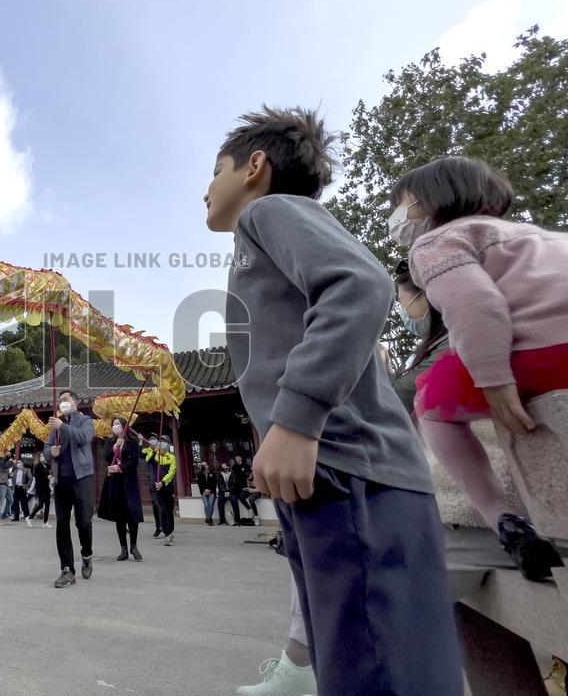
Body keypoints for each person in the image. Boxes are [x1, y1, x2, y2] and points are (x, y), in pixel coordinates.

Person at [206, 106, 462, 694]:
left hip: (348, 468)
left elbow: (361, 283)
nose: (206, 188)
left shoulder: (267, 212)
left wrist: (295, 421)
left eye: (215, 170)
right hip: (331, 472)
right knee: (351, 663)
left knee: (376, 671)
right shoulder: (270, 232)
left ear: (254, 166)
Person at [391, 156, 568, 580]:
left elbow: (477, 305)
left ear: (426, 202)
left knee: (430, 402)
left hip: (536, 354)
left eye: (400, 205)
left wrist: (493, 379)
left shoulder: (436, 242)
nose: (396, 218)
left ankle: (503, 518)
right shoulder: (543, 236)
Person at [44, 389, 95, 587]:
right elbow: (46, 449)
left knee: (83, 522)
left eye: (66, 399)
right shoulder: (55, 426)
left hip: (82, 478)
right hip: (61, 481)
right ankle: (67, 569)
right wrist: (51, 452)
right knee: (62, 525)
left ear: (75, 402)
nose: (63, 403)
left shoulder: (85, 420)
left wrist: (62, 427)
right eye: (60, 400)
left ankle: (87, 553)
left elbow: (84, 438)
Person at [391, 260, 451, 414]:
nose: (403, 311)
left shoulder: (453, 342)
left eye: (401, 301)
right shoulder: (444, 339)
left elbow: (406, 392)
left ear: (424, 295)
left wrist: (380, 362)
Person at [97, 418, 144, 561]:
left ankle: (134, 546)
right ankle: (123, 548)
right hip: (115, 483)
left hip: (129, 482)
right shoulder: (110, 442)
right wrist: (115, 448)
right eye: (113, 424)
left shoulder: (132, 442)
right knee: (120, 517)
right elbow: (107, 457)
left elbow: (134, 460)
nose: (115, 426)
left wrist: (121, 467)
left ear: (124, 426)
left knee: (132, 516)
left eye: (117, 424)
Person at [143, 434, 176, 545]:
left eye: (164, 441)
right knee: (162, 510)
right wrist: (153, 451)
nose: (162, 443)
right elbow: (148, 460)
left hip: (168, 487)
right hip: (157, 488)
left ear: (169, 444)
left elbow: (171, 473)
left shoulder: (171, 457)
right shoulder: (156, 455)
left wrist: (162, 482)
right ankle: (166, 533)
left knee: (169, 511)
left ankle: (171, 531)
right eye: (160, 441)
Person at [233, 454, 259, 525]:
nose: (252, 468)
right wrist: (247, 488)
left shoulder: (258, 474)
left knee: (251, 499)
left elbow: (261, 487)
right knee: (241, 496)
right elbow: (248, 483)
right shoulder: (248, 475)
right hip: (250, 489)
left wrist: (253, 490)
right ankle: (249, 509)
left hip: (257, 490)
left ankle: (256, 516)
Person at [29, 452, 52, 527]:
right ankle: (30, 517)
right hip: (41, 488)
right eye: (41, 456)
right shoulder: (37, 466)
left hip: (47, 488)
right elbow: (38, 478)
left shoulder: (47, 466)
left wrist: (49, 476)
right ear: (38, 457)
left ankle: (45, 522)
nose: (43, 457)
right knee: (41, 504)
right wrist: (47, 477)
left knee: (47, 505)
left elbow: (50, 472)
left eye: (43, 456)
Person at [11, 458, 32, 525]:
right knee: (15, 503)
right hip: (16, 488)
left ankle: (27, 517)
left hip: (22, 488)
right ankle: (16, 517)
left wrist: (27, 486)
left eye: (19, 462)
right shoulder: (15, 471)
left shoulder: (27, 470)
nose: (18, 464)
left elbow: (30, 478)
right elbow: (13, 480)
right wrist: (13, 488)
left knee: (24, 503)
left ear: (22, 463)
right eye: (17, 463)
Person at [196, 461, 217, 526]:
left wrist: (209, 490)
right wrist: (204, 491)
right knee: (206, 504)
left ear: (207, 466)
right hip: (203, 492)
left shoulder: (212, 473)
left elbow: (214, 483)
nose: (203, 467)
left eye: (204, 465)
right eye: (202, 465)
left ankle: (208, 518)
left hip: (212, 491)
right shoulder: (199, 474)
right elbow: (200, 484)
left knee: (210, 504)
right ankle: (209, 519)